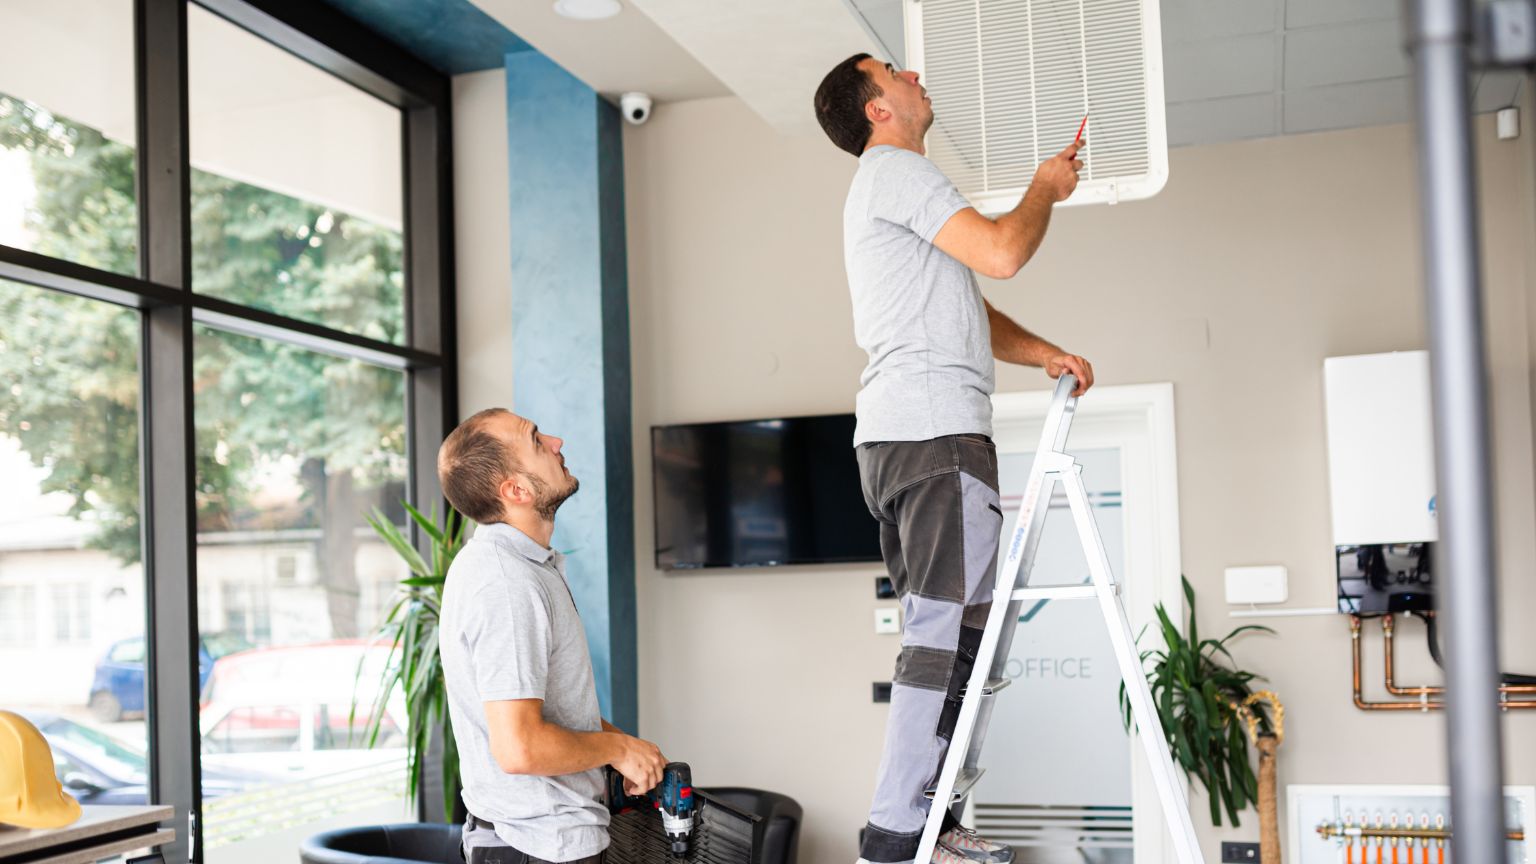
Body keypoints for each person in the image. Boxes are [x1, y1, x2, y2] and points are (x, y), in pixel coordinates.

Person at [813, 54, 1097, 864]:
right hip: (935, 437)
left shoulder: (893, 190)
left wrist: (1043, 351)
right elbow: (1004, 251)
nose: (913, 73)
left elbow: (972, 298)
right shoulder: (897, 171)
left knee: (956, 633)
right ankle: (901, 834)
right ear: (878, 110)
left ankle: (924, 819)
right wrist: (1044, 187)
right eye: (893, 72)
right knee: (947, 639)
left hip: (906, 437)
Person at [437, 408, 668, 864]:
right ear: (516, 491)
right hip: (538, 848)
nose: (558, 442)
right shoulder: (507, 584)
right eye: (537, 440)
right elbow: (520, 748)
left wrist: (625, 752)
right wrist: (619, 748)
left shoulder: (521, 568)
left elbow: (551, 713)